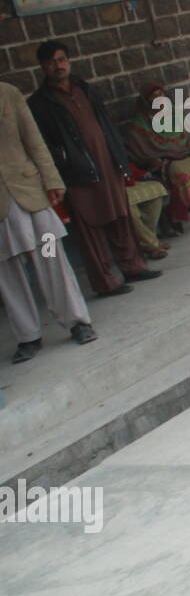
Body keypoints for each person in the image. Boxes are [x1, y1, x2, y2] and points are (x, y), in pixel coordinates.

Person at [26, 42, 161, 297]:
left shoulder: (85, 89)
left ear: (69, 61)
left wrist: (119, 157)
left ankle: (133, 266)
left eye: (62, 59)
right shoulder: (41, 103)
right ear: (43, 67)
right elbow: (43, 142)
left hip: (107, 164)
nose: (59, 65)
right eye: (52, 61)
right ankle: (106, 283)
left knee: (121, 218)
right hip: (76, 173)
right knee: (90, 229)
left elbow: (105, 124)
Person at [0, 82, 96, 362]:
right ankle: (28, 336)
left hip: (28, 190)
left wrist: (51, 179)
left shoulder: (8, 93)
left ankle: (78, 321)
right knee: (6, 273)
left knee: (50, 256)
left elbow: (33, 140)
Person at [127, 81, 190, 235]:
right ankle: (176, 217)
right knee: (179, 173)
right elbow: (142, 150)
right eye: (154, 97)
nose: (159, 100)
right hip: (161, 160)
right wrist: (157, 158)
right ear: (146, 101)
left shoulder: (172, 114)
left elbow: (186, 137)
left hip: (182, 153)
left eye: (160, 95)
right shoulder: (141, 123)